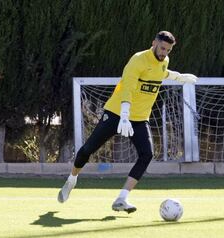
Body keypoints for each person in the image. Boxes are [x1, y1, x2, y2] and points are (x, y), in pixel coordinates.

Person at [57, 31, 197, 213]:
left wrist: (179, 77)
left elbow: (161, 72)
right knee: (87, 149)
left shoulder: (164, 61)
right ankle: (72, 179)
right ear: (154, 42)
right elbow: (128, 88)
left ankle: (122, 198)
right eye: (162, 48)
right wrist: (124, 115)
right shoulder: (137, 60)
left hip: (139, 118)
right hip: (117, 113)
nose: (164, 53)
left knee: (146, 154)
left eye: (168, 50)